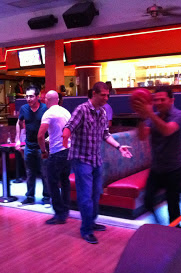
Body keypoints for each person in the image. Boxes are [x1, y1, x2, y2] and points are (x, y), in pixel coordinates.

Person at [63, 82, 132, 244]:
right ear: (94, 93)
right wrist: (65, 137)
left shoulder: (102, 112)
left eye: (108, 95)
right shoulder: (82, 110)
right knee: (85, 196)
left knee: (95, 194)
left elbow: (105, 134)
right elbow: (69, 126)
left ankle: (91, 222)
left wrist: (119, 146)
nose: (106, 98)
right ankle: (86, 229)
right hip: (81, 160)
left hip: (96, 159)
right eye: (103, 95)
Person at [133, 86, 181, 223]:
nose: (158, 102)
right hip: (156, 169)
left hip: (174, 170)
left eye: (162, 99)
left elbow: (167, 130)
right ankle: (160, 226)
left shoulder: (179, 115)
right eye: (156, 100)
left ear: (172, 100)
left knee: (173, 209)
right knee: (148, 201)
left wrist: (150, 114)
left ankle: (176, 236)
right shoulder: (153, 117)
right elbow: (141, 136)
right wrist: (141, 118)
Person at [37, 90, 72, 224]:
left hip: (57, 152)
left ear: (47, 100)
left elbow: (40, 136)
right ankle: (66, 210)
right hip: (68, 150)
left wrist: (43, 151)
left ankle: (59, 214)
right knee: (65, 181)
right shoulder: (66, 112)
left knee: (51, 182)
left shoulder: (48, 113)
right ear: (58, 100)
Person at [15, 86, 50, 205]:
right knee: (30, 173)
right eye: (27, 96)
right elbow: (19, 123)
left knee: (45, 172)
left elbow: (52, 123)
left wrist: (50, 137)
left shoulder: (45, 108)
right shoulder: (24, 109)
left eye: (31, 96)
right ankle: (30, 197)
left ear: (37, 97)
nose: (28, 99)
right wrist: (18, 139)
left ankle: (46, 198)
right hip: (29, 146)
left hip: (42, 146)